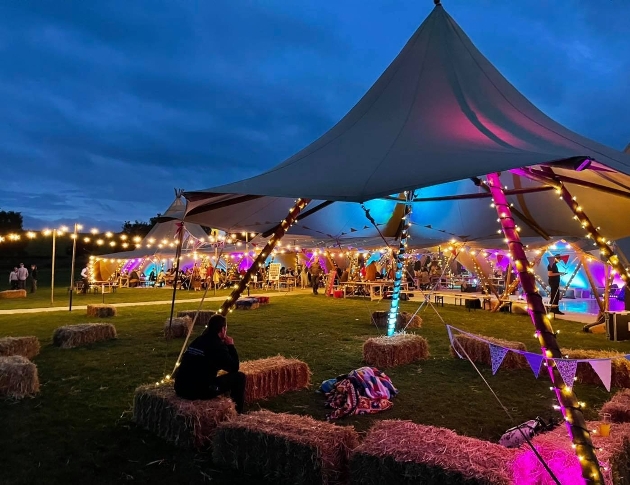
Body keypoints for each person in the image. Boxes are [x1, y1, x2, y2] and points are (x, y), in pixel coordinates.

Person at [174, 314, 245, 414]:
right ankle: (238, 413)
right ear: (223, 329)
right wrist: (231, 346)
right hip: (198, 390)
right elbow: (234, 367)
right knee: (239, 378)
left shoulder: (198, 340)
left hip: (180, 387)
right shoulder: (217, 345)